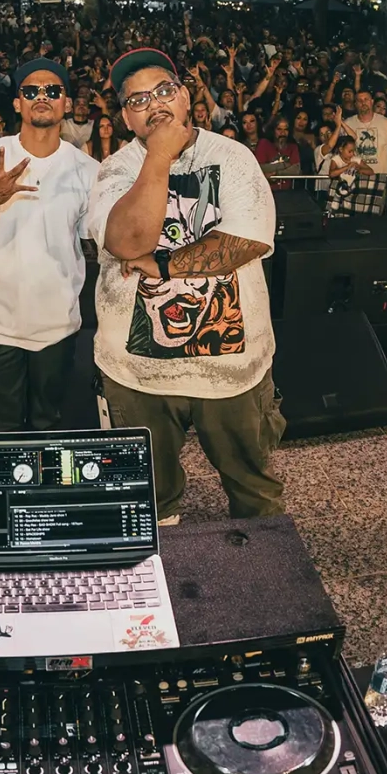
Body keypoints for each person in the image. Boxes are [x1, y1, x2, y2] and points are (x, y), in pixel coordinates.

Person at [88, 48, 283, 525]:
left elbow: (245, 241)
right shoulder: (114, 169)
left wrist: (164, 264)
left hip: (230, 369)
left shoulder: (231, 156)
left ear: (186, 95)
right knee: (149, 499)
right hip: (137, 374)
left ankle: (267, 577)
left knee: (253, 488)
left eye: (164, 90)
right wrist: (158, 156)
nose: (154, 104)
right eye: (137, 100)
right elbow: (125, 239)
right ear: (125, 117)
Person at [0, 58, 99, 431]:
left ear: (66, 103)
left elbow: (89, 246)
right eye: (30, 91)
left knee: (49, 428)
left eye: (53, 90)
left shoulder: (88, 170)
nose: (42, 97)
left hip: (57, 326)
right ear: (17, 103)